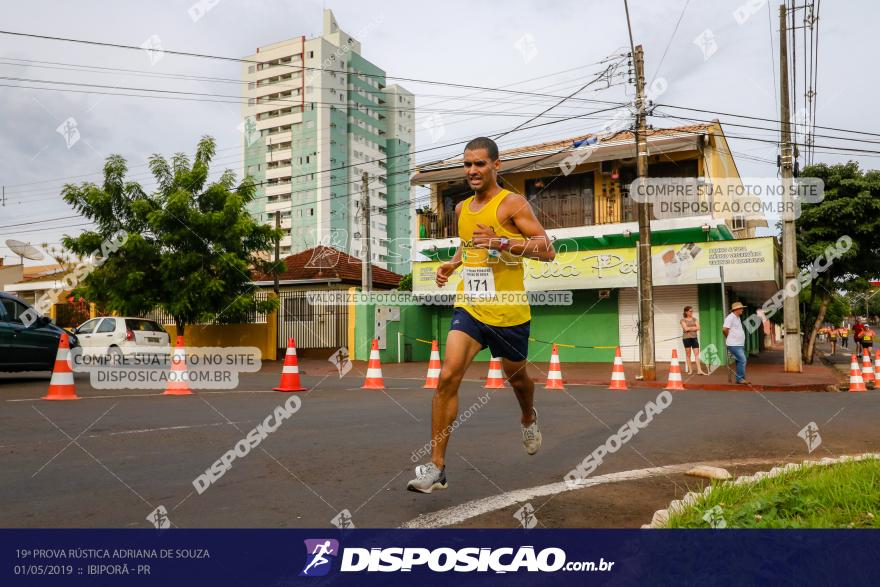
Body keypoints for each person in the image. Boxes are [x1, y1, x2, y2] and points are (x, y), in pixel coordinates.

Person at [407, 137, 556, 494]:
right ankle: (437, 467)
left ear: (496, 166)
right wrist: (452, 264)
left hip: (509, 312)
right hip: (471, 306)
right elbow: (469, 244)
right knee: (447, 376)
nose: (472, 171)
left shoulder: (512, 204)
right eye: (467, 164)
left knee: (518, 381)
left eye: (480, 164)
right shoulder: (461, 210)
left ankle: (528, 417)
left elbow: (547, 250)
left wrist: (502, 242)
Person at [723, 302, 749, 384]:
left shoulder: (737, 317)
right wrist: (729, 337)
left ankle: (740, 379)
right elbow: (724, 329)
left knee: (739, 361)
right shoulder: (730, 318)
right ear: (736, 309)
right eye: (741, 308)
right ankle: (740, 379)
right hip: (733, 344)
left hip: (739, 344)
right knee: (742, 360)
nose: (742, 309)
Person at [680, 306, 706, 375]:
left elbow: (698, 327)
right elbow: (685, 329)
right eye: (690, 311)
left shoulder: (695, 319)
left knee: (697, 354)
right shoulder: (683, 320)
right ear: (686, 312)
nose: (691, 312)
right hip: (686, 339)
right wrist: (694, 328)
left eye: (692, 311)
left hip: (694, 338)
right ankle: (690, 370)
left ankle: (699, 370)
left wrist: (690, 328)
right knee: (688, 355)